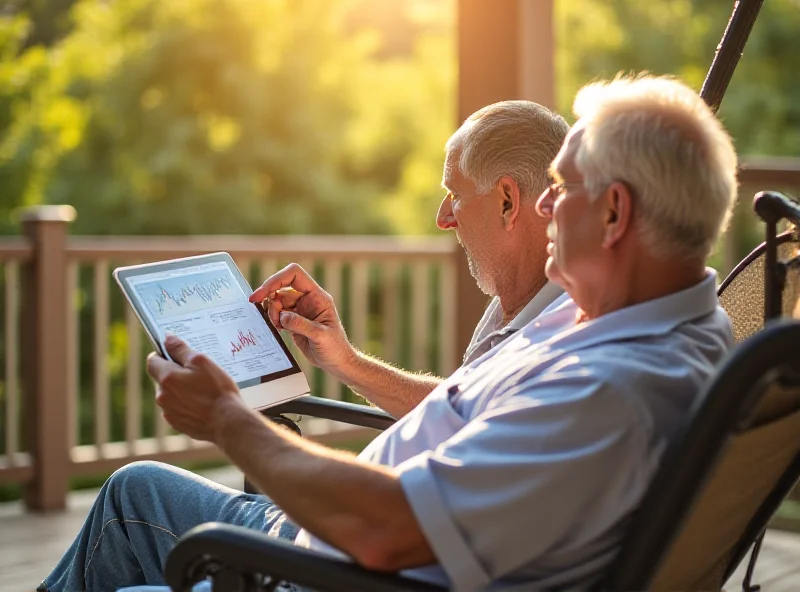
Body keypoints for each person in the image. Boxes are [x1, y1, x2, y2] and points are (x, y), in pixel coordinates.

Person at [39, 73, 738, 591]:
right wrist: (345, 361)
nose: (547, 205)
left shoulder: (609, 392)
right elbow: (488, 429)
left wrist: (223, 416)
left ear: (614, 214)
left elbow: (391, 531)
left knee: (130, 505)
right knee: (136, 491)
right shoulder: (660, 328)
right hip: (339, 538)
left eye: (561, 186)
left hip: (326, 566)